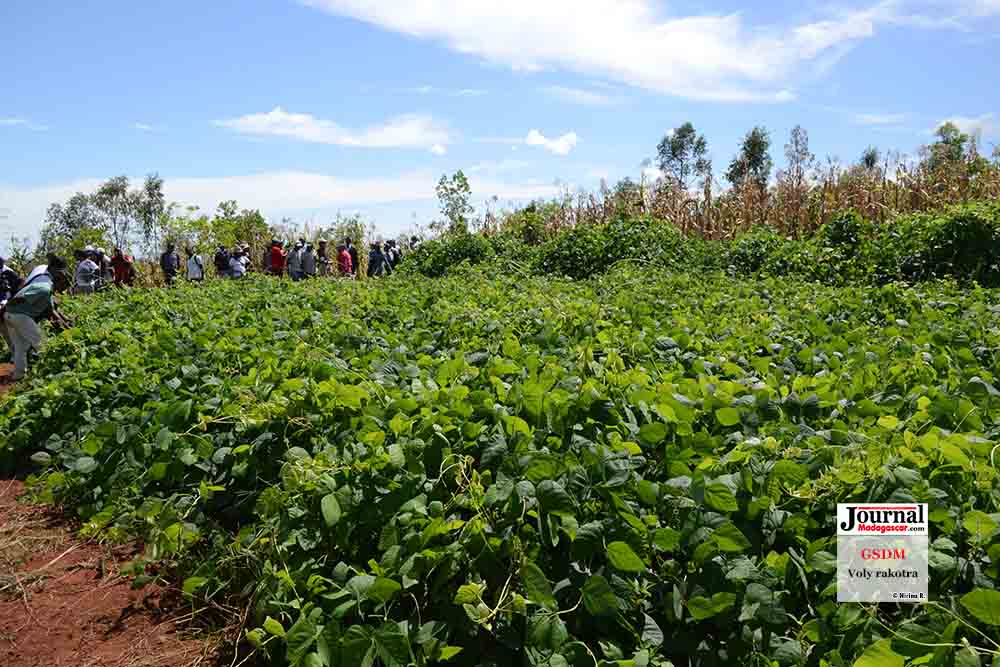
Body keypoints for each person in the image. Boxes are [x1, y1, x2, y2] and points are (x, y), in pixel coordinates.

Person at [0, 265, 70, 382]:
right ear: (60, 281)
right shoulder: (44, 288)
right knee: (41, 343)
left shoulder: (47, 290)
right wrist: (9, 306)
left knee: (21, 346)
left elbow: (52, 312)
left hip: (10, 315)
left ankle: (19, 374)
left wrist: (66, 325)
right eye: (65, 285)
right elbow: (21, 297)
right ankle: (50, 371)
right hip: (18, 315)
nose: (64, 289)